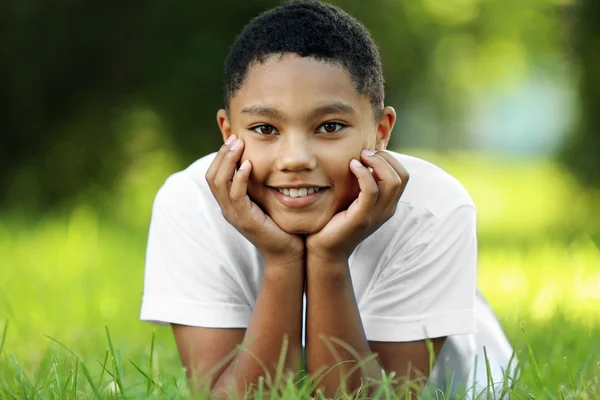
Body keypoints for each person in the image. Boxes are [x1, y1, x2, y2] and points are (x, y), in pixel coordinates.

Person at [140, 0, 516, 397]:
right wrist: (283, 261)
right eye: (265, 128)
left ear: (381, 131)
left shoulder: (433, 208)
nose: (296, 159)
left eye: (330, 126)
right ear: (228, 132)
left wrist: (327, 260)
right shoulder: (190, 204)